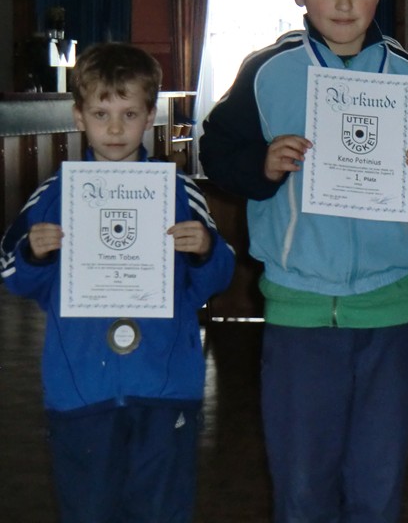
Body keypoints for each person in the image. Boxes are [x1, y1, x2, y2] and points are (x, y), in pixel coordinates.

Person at [199, 0, 408, 523]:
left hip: (391, 307)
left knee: (377, 482)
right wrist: (261, 164)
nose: (344, 4)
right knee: (302, 482)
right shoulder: (267, 72)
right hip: (301, 307)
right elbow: (217, 149)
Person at [0, 42, 235, 523]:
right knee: (88, 511)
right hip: (82, 390)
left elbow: (215, 279)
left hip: (164, 388)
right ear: (79, 116)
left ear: (149, 117)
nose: (114, 128)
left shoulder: (179, 192)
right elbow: (13, 275)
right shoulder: (53, 196)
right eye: (101, 113)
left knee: (162, 512)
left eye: (128, 114)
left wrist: (206, 249)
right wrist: (33, 253)